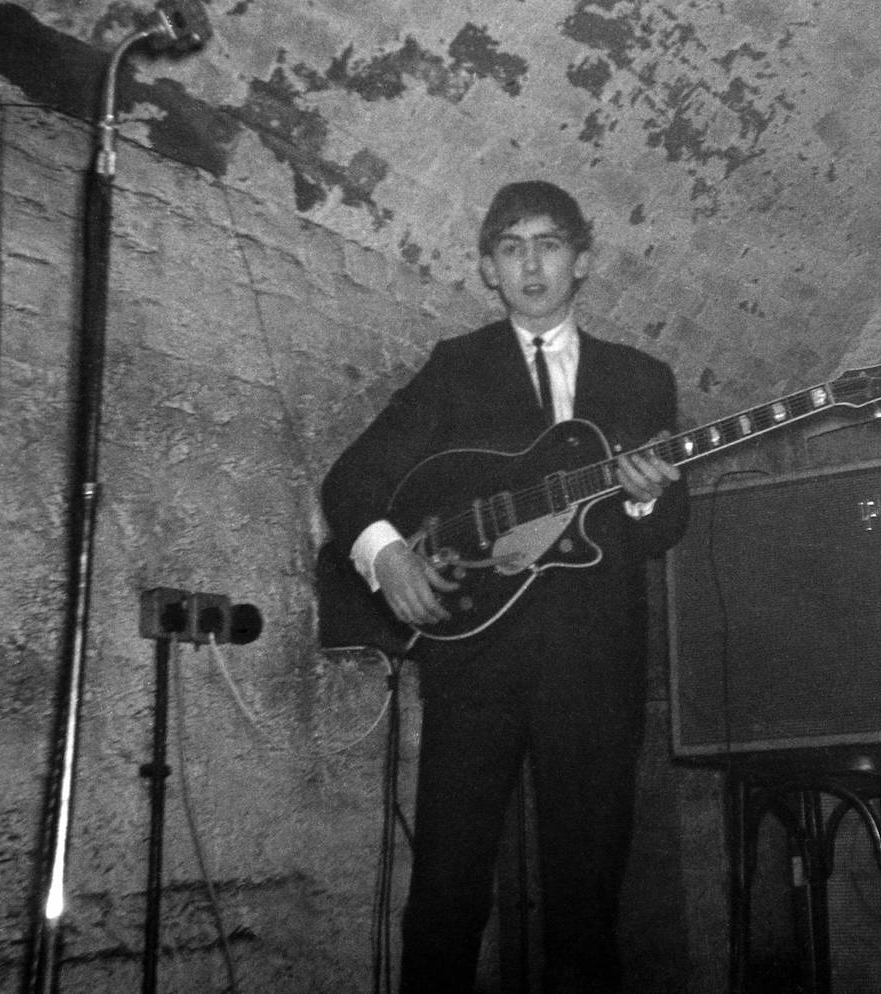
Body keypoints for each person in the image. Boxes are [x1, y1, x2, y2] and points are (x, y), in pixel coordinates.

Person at [319, 179, 689, 993]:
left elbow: (664, 532)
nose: (532, 263)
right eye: (512, 247)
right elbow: (351, 483)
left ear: (582, 259)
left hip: (595, 668)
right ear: (488, 267)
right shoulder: (457, 368)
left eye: (549, 243)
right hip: (474, 666)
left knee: (586, 903)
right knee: (447, 891)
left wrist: (647, 491)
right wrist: (388, 559)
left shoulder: (640, 378)